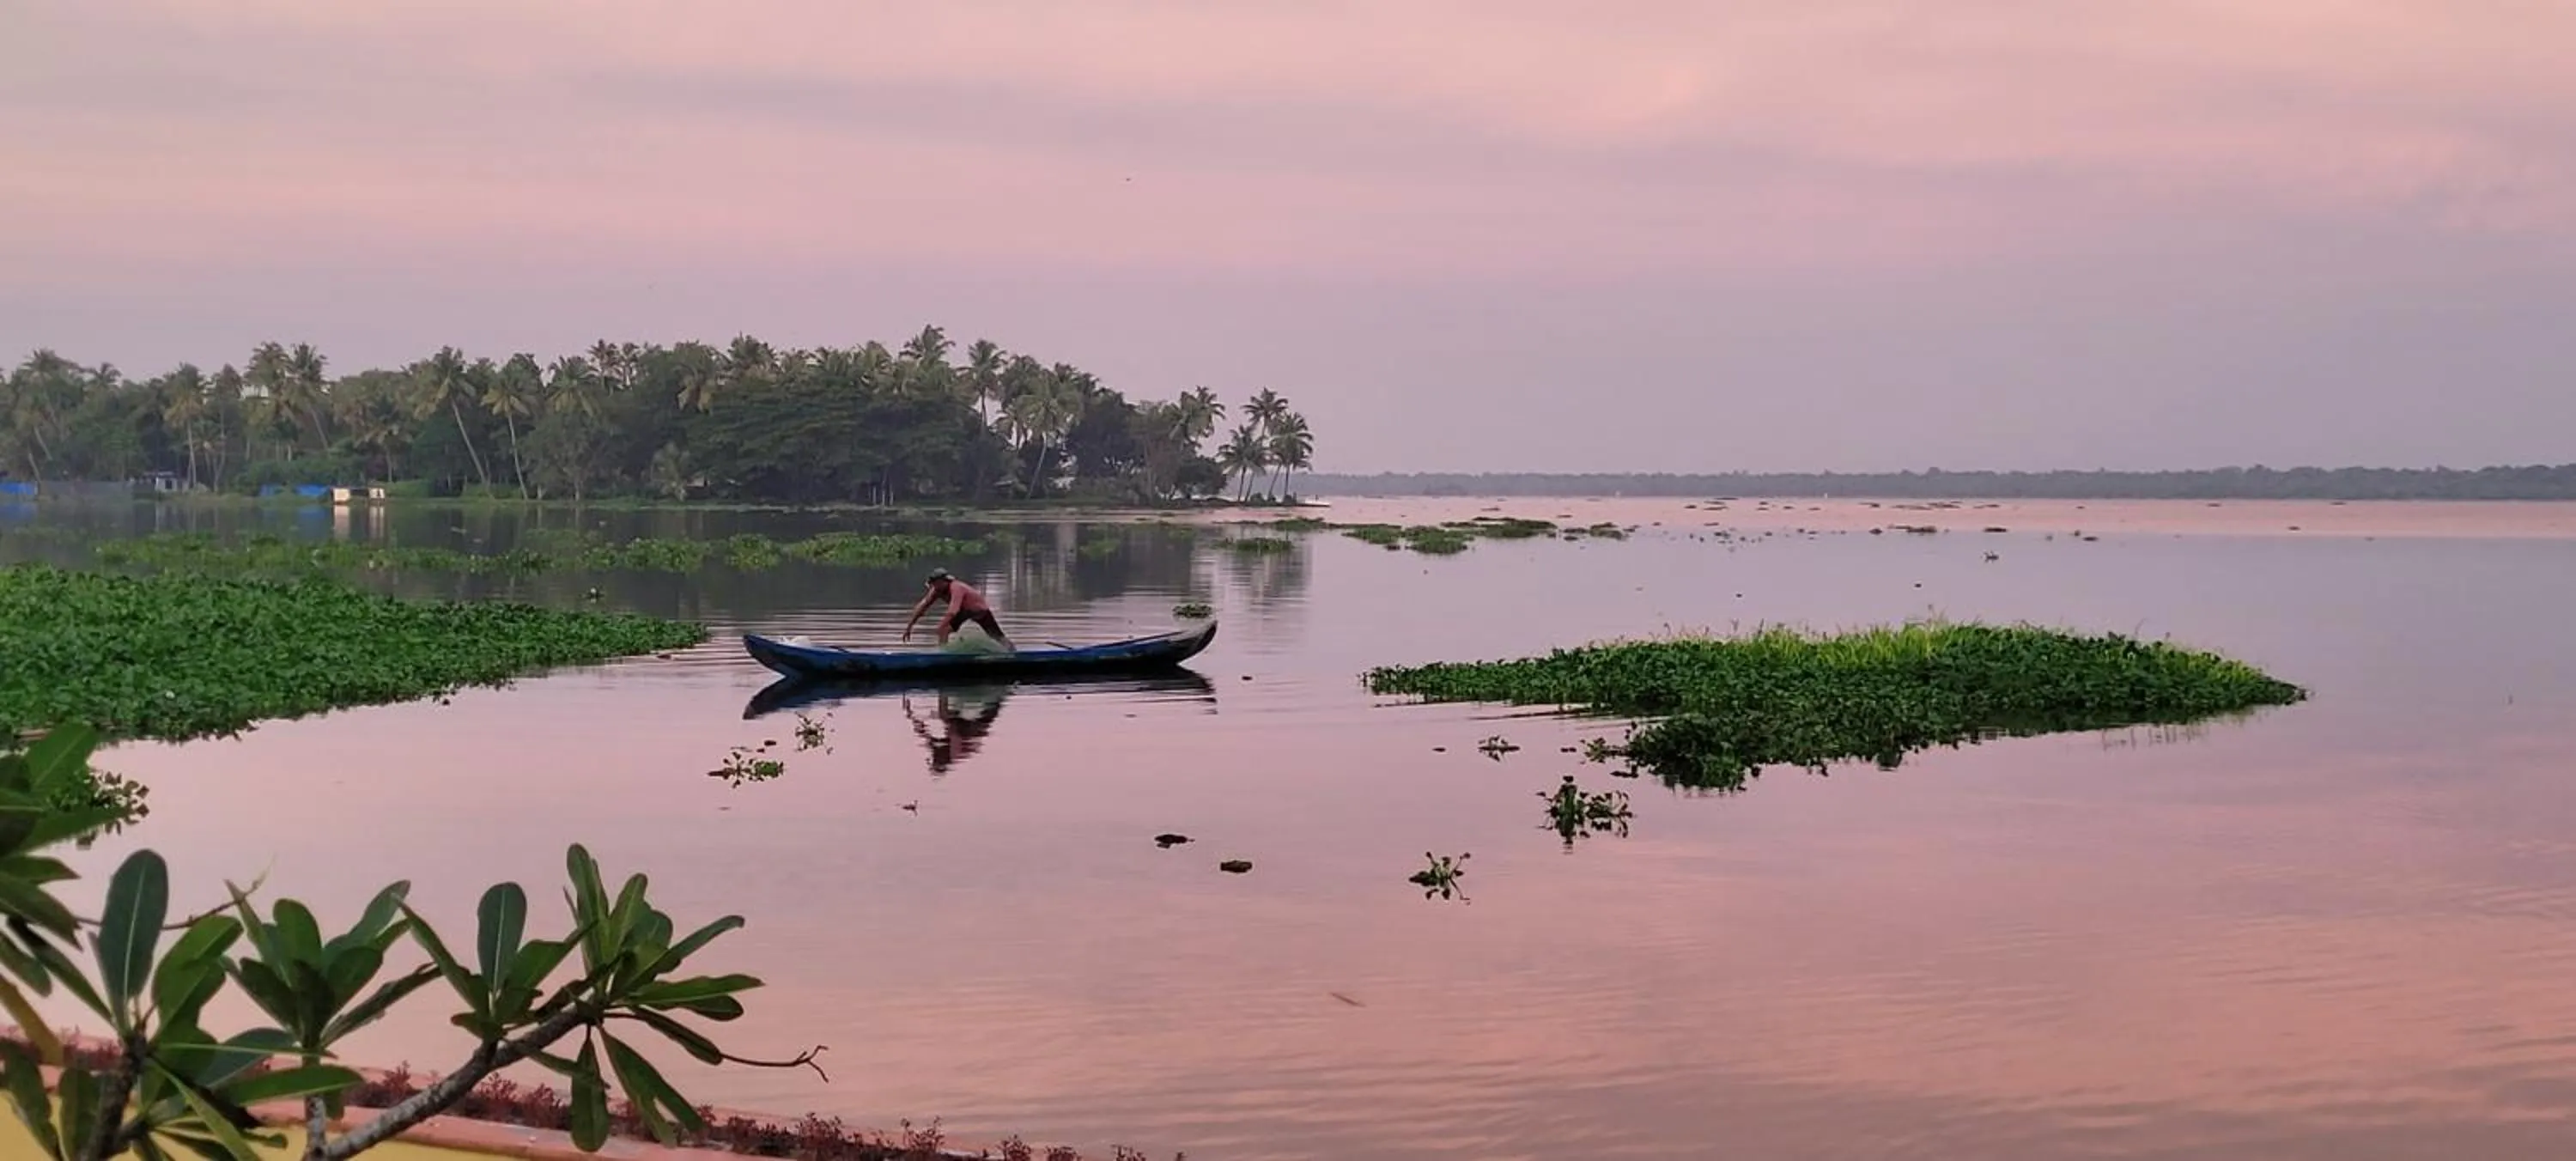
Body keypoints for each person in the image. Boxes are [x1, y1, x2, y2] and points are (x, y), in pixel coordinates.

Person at [902, 567, 1013, 648]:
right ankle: (944, 653)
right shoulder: (936, 591)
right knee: (943, 630)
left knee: (997, 636)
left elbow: (953, 610)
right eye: (932, 584)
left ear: (943, 581)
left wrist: (943, 623)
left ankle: (1013, 652)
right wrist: (909, 627)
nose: (934, 587)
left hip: (978, 610)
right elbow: (922, 606)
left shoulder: (956, 587)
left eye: (935, 584)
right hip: (964, 610)